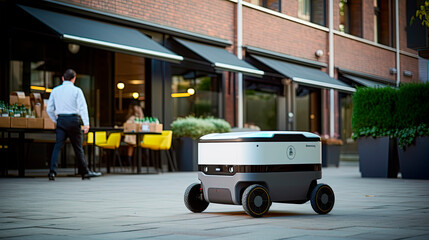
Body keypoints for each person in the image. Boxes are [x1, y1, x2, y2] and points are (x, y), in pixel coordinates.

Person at [46, 69, 101, 180]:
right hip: (73, 120)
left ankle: (52, 172)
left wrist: (56, 120)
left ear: (62, 78)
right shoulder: (77, 91)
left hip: (61, 120)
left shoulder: (55, 91)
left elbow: (49, 109)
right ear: (74, 79)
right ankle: (85, 172)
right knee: (78, 147)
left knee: (57, 146)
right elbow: (83, 108)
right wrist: (86, 124)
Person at [123, 101, 144, 165]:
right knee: (131, 143)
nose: (136, 108)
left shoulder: (140, 117)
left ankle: (131, 160)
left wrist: (140, 113)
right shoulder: (131, 117)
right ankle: (130, 160)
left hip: (140, 138)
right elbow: (127, 125)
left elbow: (142, 122)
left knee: (133, 143)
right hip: (132, 137)